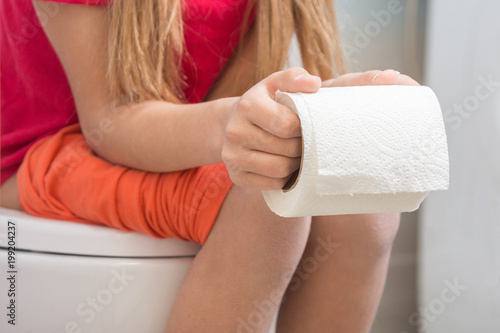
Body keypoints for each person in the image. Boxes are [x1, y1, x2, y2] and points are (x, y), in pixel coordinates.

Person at [0, 0, 419, 331]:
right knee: (267, 202)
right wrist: (228, 124)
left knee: (357, 199)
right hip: (39, 154)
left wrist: (314, 110)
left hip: (168, 136)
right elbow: (111, 121)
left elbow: (236, 97)